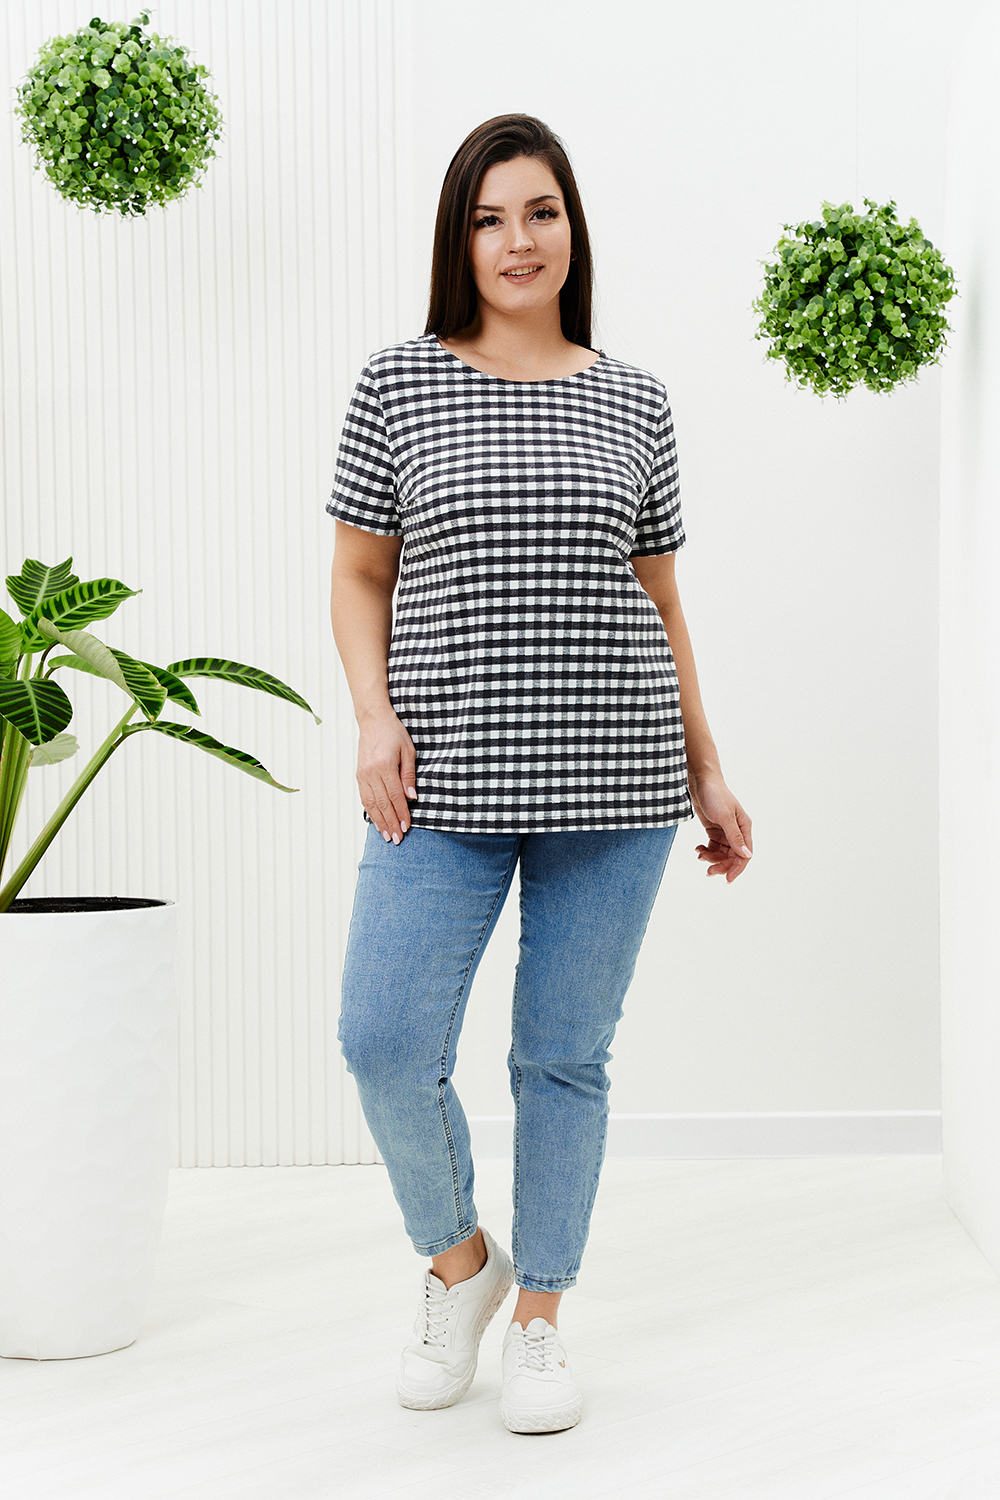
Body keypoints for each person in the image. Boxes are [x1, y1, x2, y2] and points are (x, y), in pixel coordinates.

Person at [327, 113, 752, 1435]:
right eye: (490, 218)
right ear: (458, 240)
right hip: (439, 777)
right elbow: (359, 573)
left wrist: (706, 768)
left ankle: (542, 1319)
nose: (519, 241)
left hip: (616, 780)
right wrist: (373, 718)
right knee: (382, 1039)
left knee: (562, 1057)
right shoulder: (397, 383)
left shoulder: (636, 399)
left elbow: (660, 601)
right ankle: (463, 1267)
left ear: (574, 228)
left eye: (542, 212)